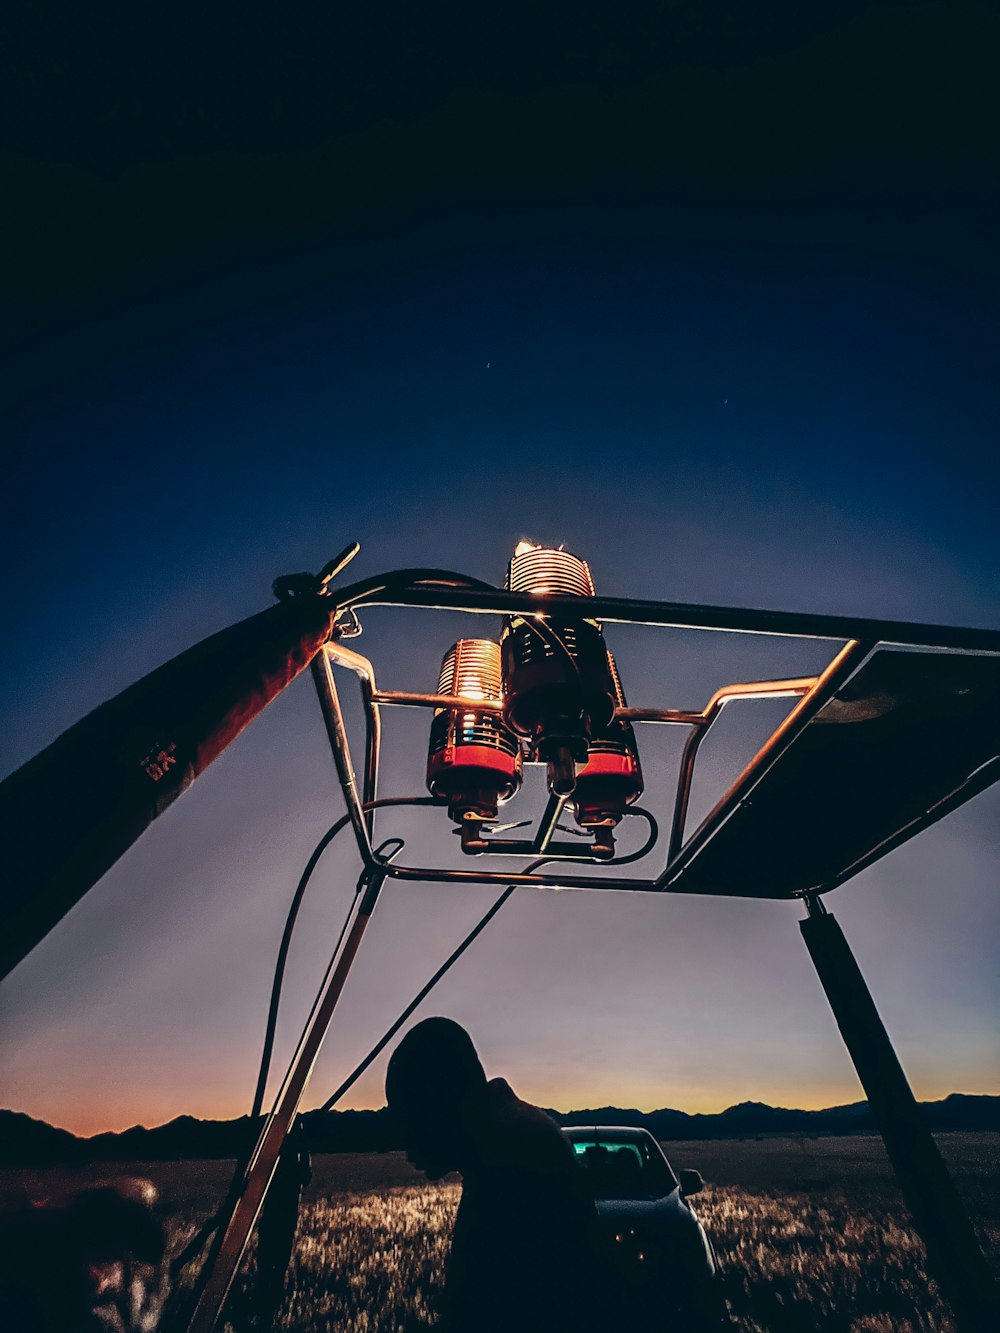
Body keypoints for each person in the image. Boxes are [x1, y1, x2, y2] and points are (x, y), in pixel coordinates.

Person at [385, 1016, 610, 1332]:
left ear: (441, 1100)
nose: (404, 1140)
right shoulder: (506, 1142)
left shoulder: (508, 1167)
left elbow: (486, 1312)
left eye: (409, 1115)